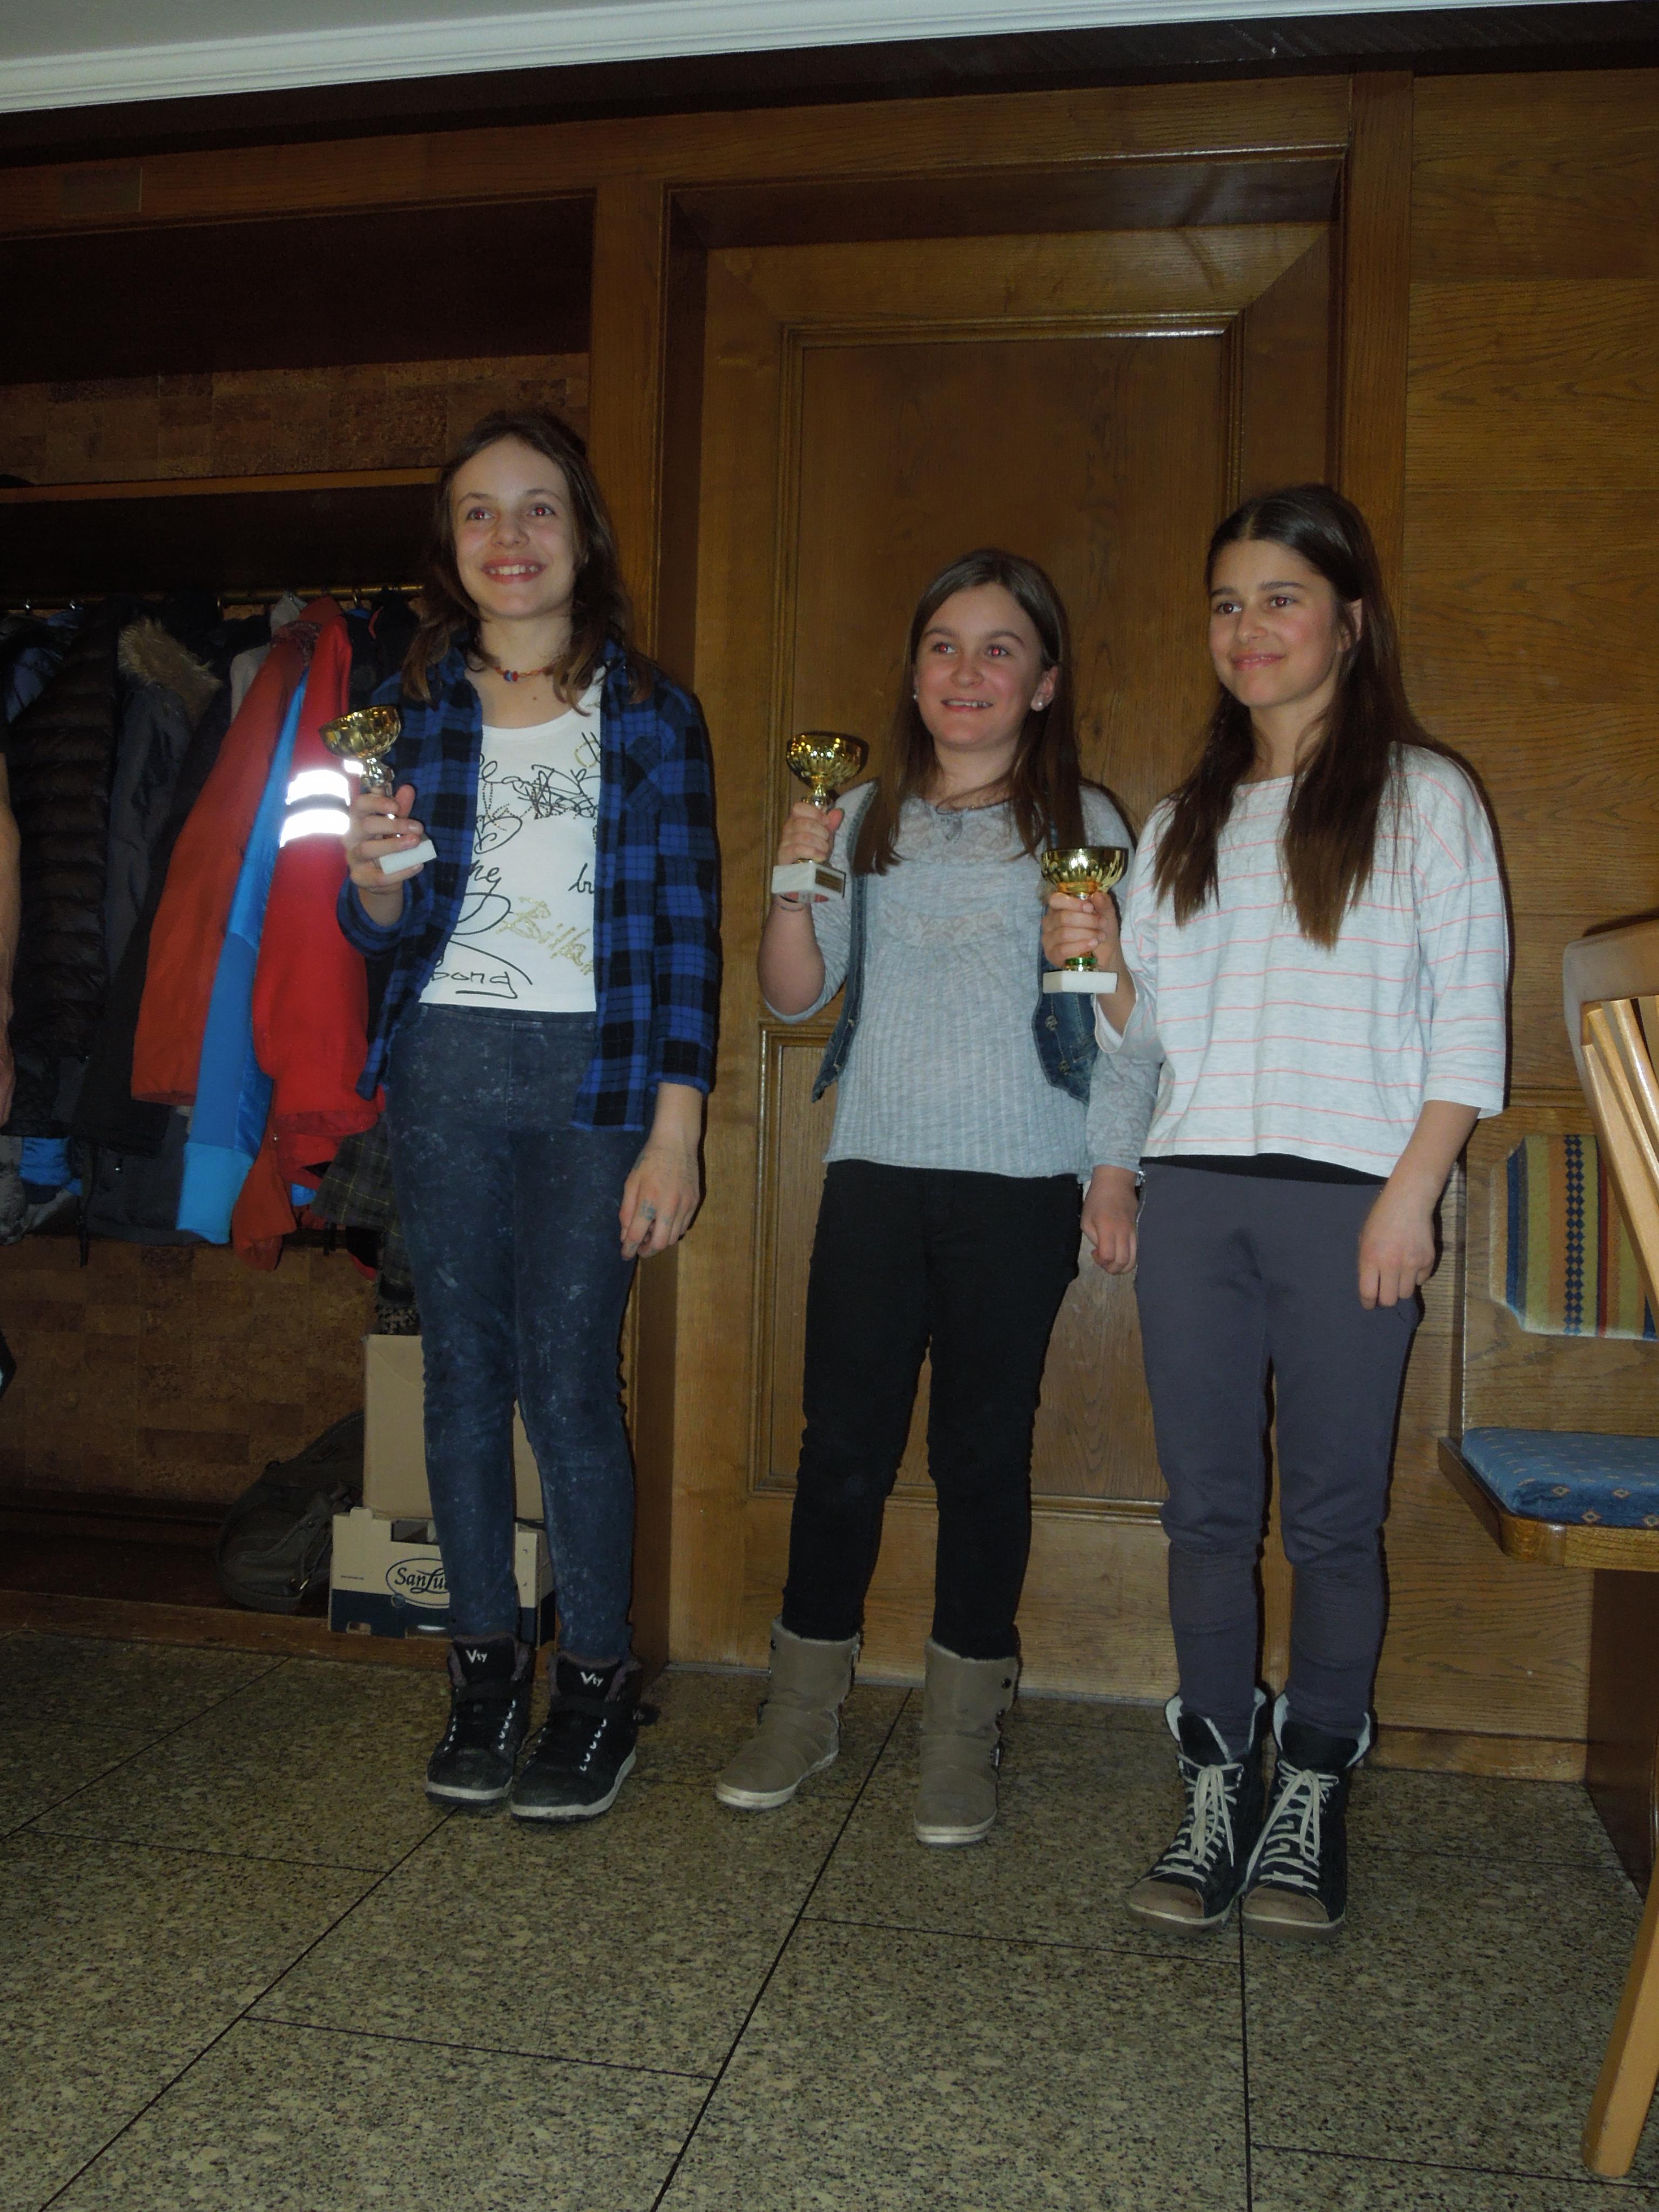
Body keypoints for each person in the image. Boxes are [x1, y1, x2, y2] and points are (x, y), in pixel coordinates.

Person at [1044, 484, 1508, 1938]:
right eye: (1228, 604)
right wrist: (1098, 960)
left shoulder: (1424, 797)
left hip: (1352, 1202)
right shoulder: (1183, 820)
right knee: (1204, 1510)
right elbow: (1149, 1035)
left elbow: (1468, 1022)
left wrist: (1411, 1198)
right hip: (1197, 1196)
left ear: (1350, 622)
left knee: (1333, 1517)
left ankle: (1311, 1784)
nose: (1249, 630)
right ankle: (1214, 1779)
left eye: (1281, 600)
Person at [715, 548, 1149, 1846]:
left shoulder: (1085, 823)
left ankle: (963, 1728)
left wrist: (1113, 1168)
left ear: (1044, 682)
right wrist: (794, 875)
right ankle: (802, 1705)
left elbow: (1118, 1022)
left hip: (1022, 1183)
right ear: (913, 676)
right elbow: (793, 995)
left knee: (981, 1453)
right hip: (876, 1172)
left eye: (1000, 647)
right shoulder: (861, 815)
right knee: (841, 1446)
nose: (968, 671)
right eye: (944, 646)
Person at [340, 409, 720, 1822]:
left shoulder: (653, 714)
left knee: (569, 1384)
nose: (511, 536)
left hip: (597, 1079)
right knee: (459, 1377)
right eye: (480, 511)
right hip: (444, 1065)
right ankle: (484, 1668)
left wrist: (677, 1128)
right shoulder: (403, 706)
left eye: (539, 506)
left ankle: (599, 1680)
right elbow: (370, 924)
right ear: (450, 546)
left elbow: (687, 938)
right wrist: (370, 879)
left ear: (583, 533)